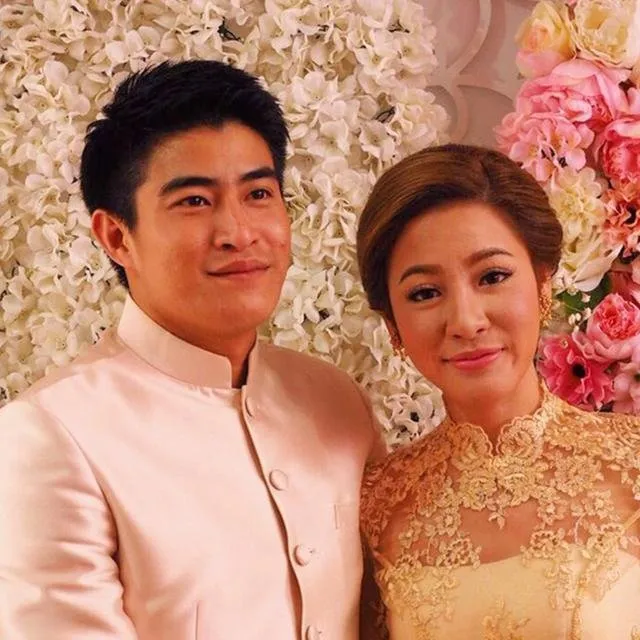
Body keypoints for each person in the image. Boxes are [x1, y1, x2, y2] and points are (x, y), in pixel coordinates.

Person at [0, 60, 385, 640]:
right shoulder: (52, 435)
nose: (238, 232)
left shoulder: (334, 399)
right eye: (195, 201)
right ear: (116, 236)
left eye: (259, 193)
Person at [356, 143, 640, 639]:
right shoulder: (375, 507)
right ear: (393, 326)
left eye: (492, 277)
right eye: (425, 293)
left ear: (543, 282)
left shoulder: (633, 462)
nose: (466, 321)